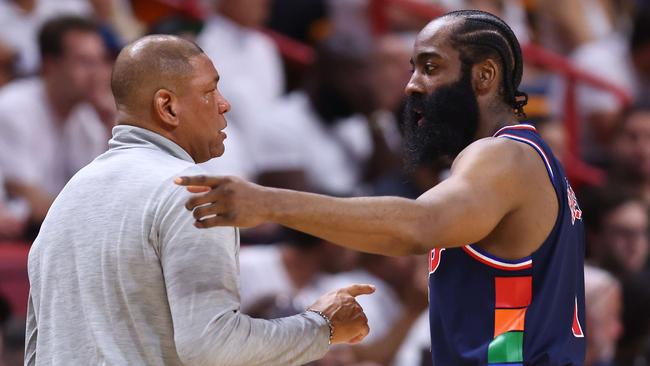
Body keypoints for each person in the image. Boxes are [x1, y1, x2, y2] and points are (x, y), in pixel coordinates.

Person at [176, 10, 587, 365]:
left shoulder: (504, 156)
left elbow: (419, 225)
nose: (411, 85)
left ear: (483, 76)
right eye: (412, 68)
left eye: (430, 67)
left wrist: (269, 203)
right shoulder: (524, 160)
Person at [25, 35, 375, 365]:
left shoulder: (67, 199)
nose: (225, 104)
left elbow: (35, 350)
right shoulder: (193, 192)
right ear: (167, 107)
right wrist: (321, 327)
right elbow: (211, 345)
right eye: (210, 90)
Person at [0, 15, 114, 237]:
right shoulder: (12, 107)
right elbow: (30, 200)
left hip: (60, 232)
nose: (97, 73)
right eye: (84, 62)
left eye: (100, 61)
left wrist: (111, 120)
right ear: (50, 66)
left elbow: (105, 192)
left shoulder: (89, 116)